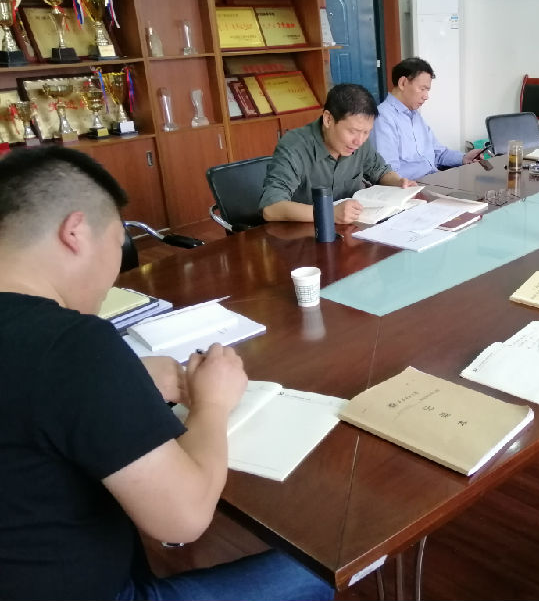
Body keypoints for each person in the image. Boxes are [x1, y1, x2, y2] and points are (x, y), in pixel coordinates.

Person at [0, 147, 333, 601]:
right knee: (325, 566)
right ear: (74, 232)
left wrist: (125, 379)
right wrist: (212, 403)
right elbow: (183, 519)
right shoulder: (71, 343)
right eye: (116, 241)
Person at [260, 83, 416, 224]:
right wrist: (328, 214)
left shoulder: (359, 143)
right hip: (304, 235)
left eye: (366, 132)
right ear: (328, 119)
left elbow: (380, 171)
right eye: (353, 131)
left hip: (350, 230)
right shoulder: (294, 147)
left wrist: (399, 182)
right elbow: (271, 208)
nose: (359, 141)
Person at [372, 57, 481, 180]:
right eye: (422, 89)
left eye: (427, 90)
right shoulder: (383, 118)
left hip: (434, 180)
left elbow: (438, 153)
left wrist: (464, 158)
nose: (426, 96)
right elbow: (388, 173)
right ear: (402, 83)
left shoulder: (415, 116)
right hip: (411, 186)